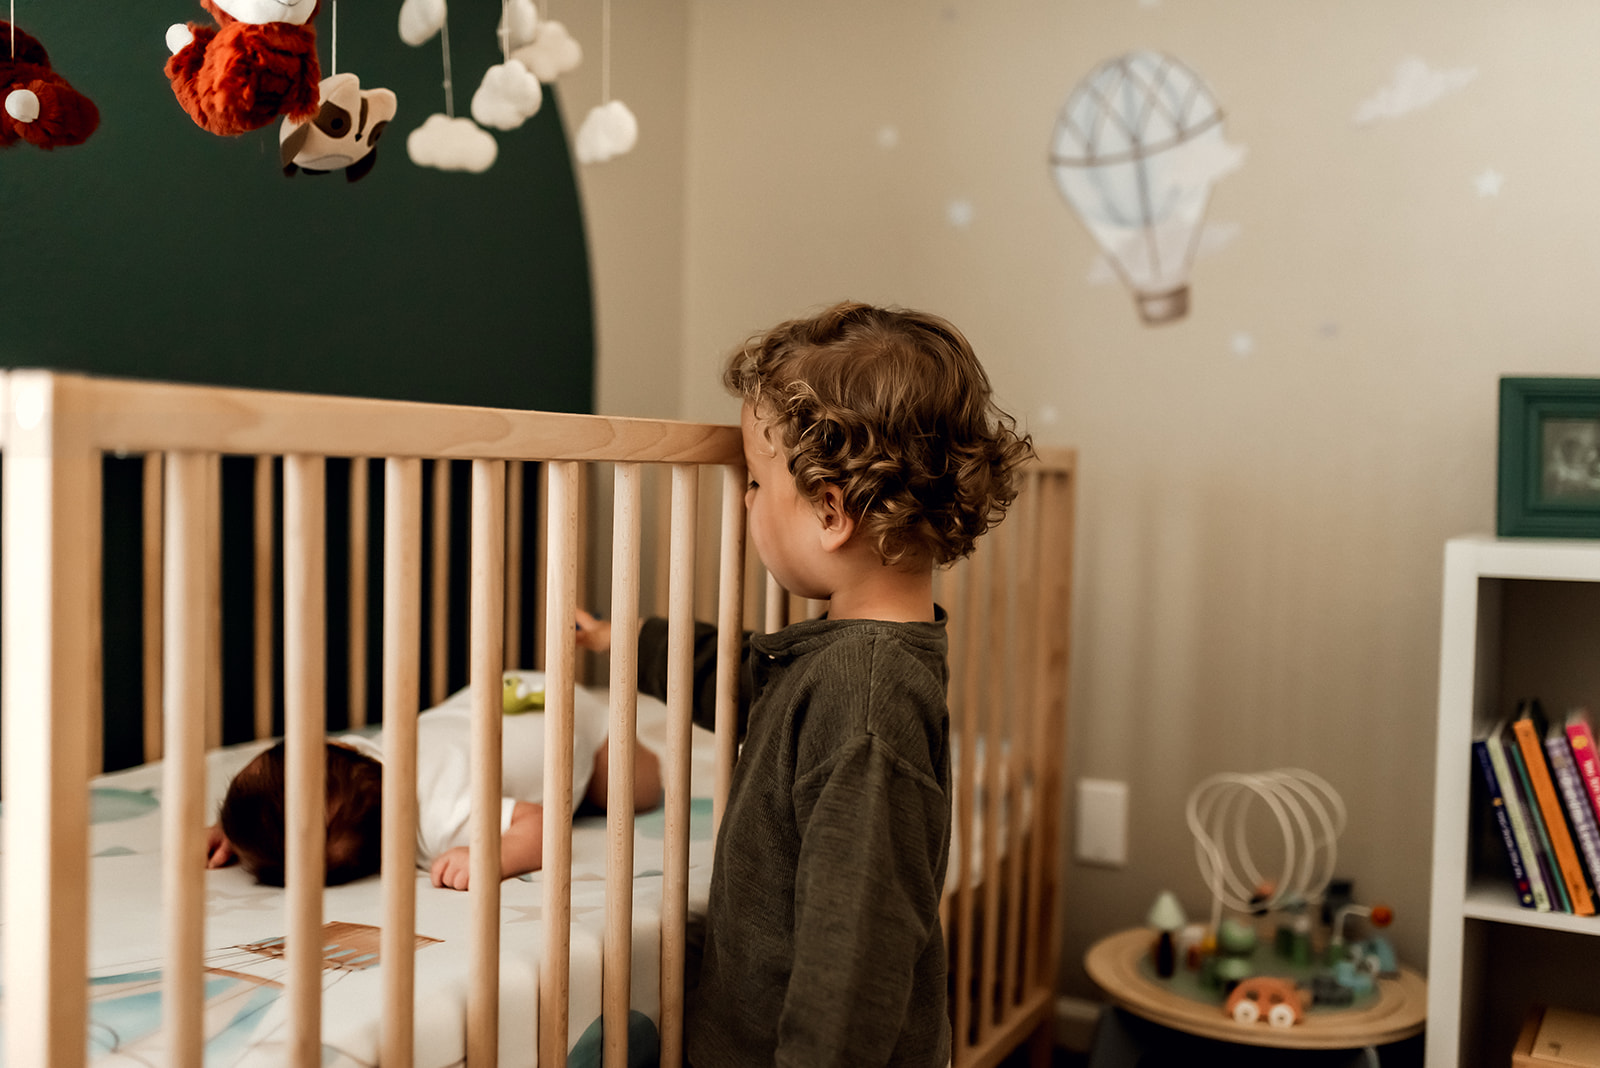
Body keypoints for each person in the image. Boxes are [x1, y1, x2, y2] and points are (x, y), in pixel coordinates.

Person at [575, 301, 1033, 1066]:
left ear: (829, 512)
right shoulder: (845, 663)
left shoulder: (866, 702)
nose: (747, 504)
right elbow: (739, 679)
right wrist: (628, 641)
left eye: (755, 483)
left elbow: (854, 967)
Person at [204, 673, 664, 890]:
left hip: (573, 723)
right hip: (501, 694)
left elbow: (545, 827)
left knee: (637, 791)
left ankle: (655, 749)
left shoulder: (442, 814)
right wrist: (243, 829)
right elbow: (290, 797)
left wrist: (491, 855)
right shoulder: (355, 756)